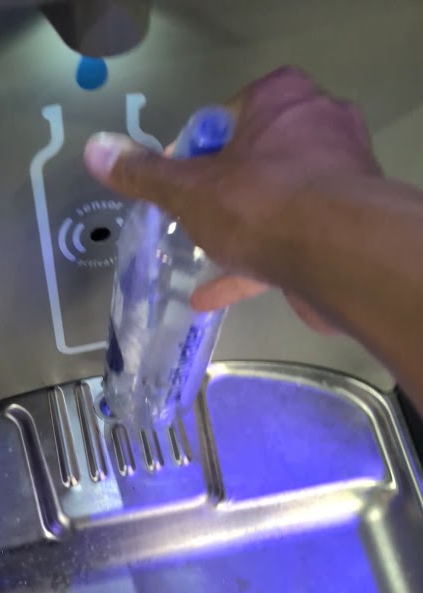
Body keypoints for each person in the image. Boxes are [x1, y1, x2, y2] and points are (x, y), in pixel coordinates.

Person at [84, 66, 423, 413]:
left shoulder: (200, 234)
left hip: (162, 384)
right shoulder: (163, 229)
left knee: (182, 339)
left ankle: (156, 399)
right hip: (132, 376)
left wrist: (319, 218)